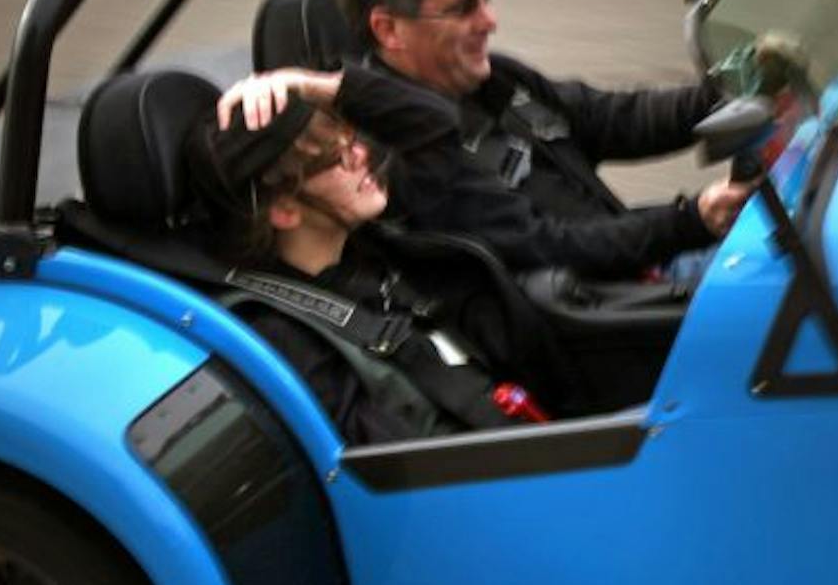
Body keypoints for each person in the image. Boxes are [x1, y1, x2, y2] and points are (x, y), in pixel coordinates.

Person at [274, 0, 751, 280]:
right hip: (603, 311)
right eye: (464, 9)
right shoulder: (402, 155)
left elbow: (608, 118)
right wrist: (691, 221)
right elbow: (547, 248)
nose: (490, 20)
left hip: (636, 261)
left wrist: (733, 89)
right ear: (389, 29)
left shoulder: (490, 78)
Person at [186, 80, 594, 446]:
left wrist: (315, 84)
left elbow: (436, 125)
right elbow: (402, 469)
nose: (361, 155)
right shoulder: (290, 340)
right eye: (334, 157)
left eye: (349, 137)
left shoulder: (378, 235)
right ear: (285, 209)